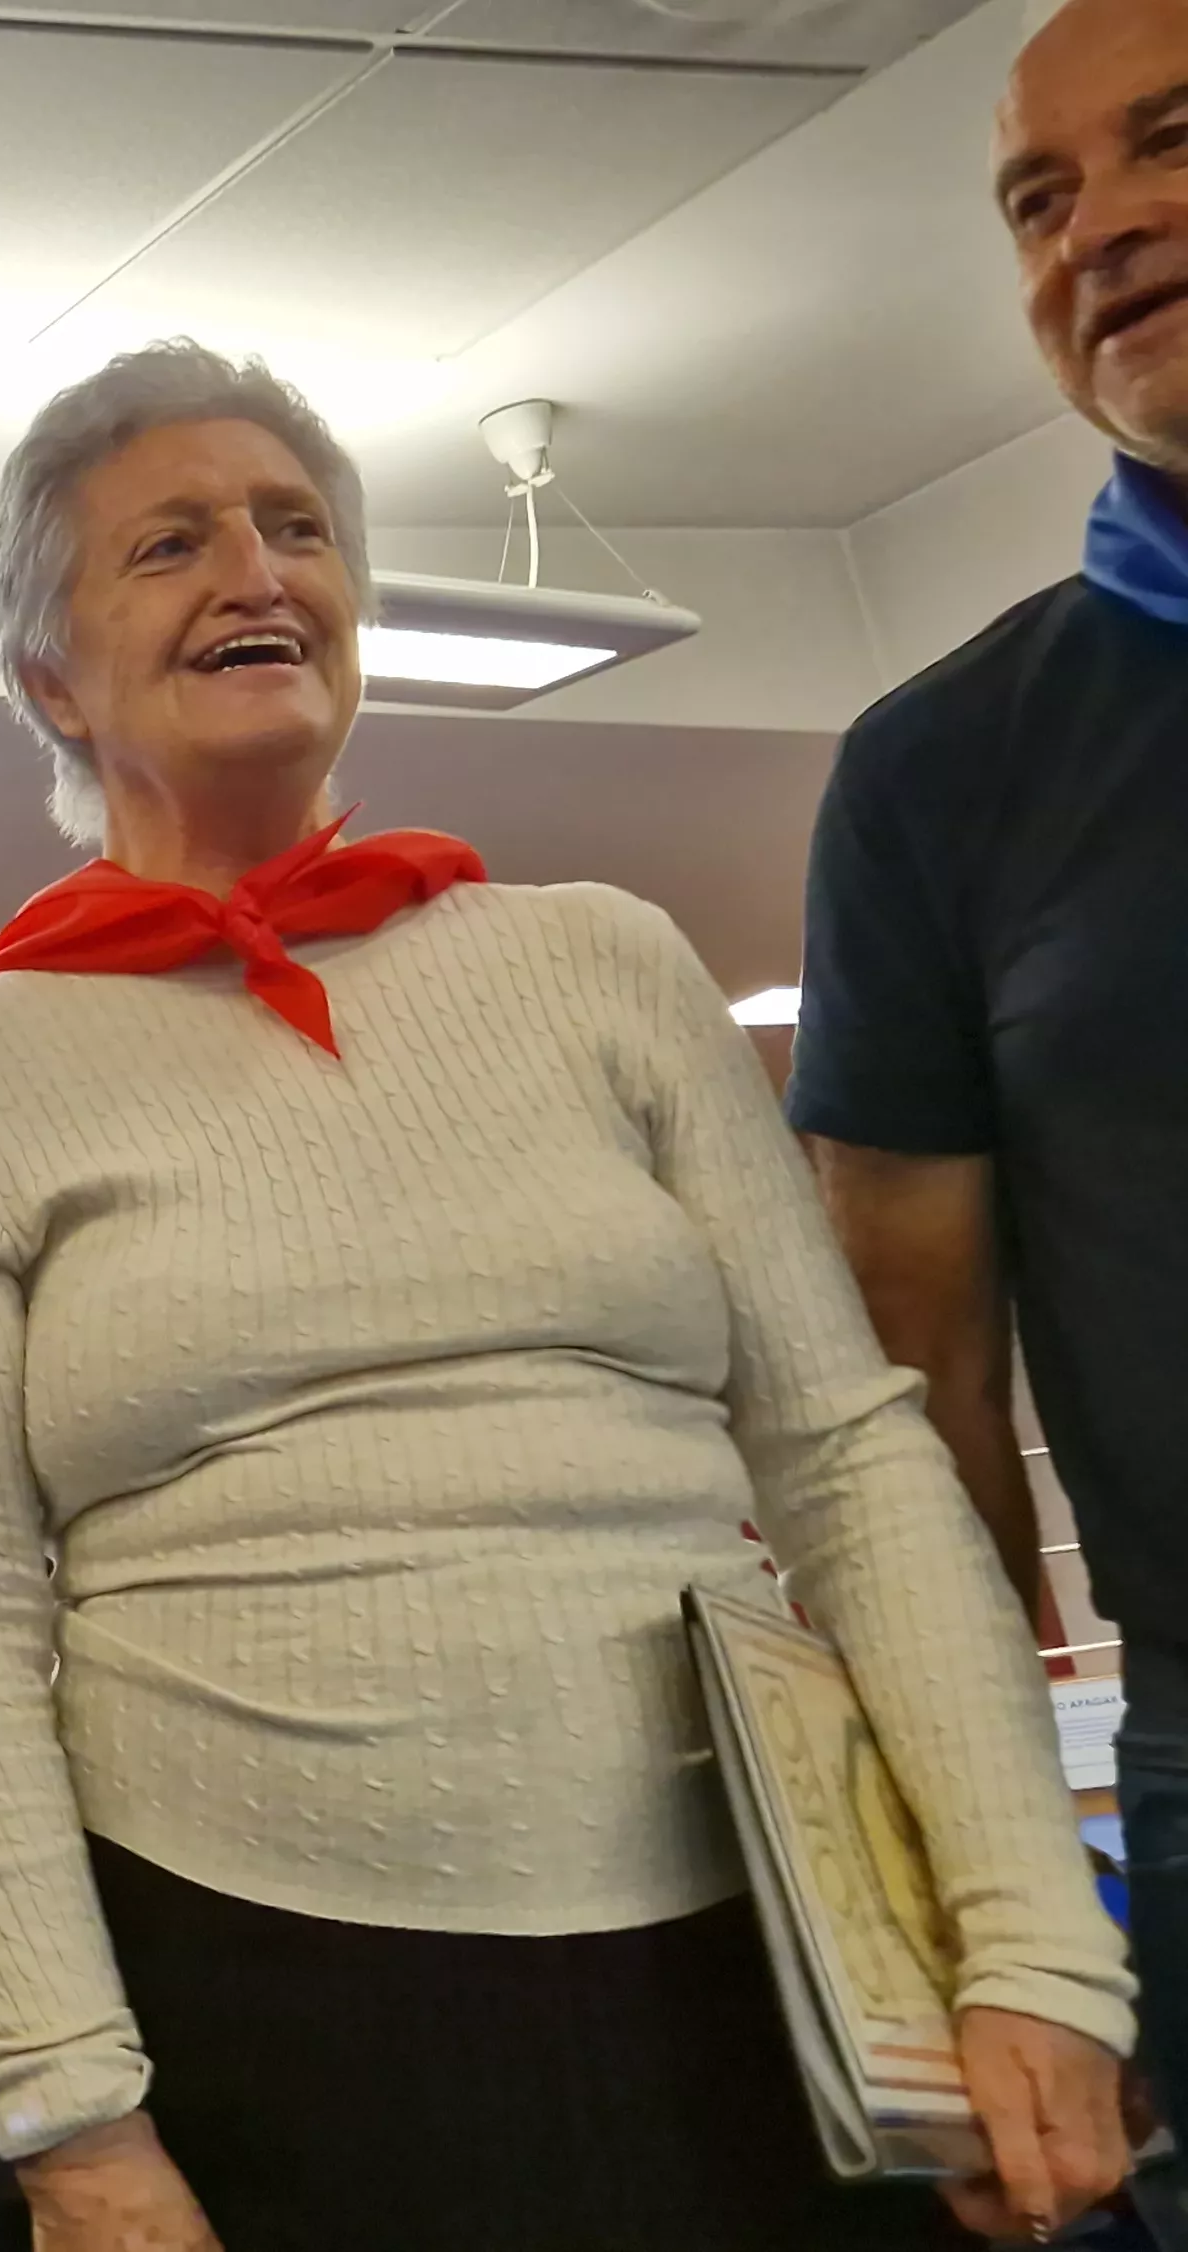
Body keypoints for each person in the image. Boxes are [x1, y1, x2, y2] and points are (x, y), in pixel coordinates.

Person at [0, 343, 1131, 2252]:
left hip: (759, 1950)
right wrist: (70, 2116)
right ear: (49, 673)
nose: (255, 572)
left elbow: (853, 1464)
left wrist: (1032, 1938)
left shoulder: (602, 963)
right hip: (243, 1976)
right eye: (169, 545)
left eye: (294, 528)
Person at [796, 0, 1188, 2139]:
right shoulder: (938, 774)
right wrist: (988, 1917)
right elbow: (906, 1397)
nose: (1097, 230)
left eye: (1166, 145)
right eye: (1039, 199)